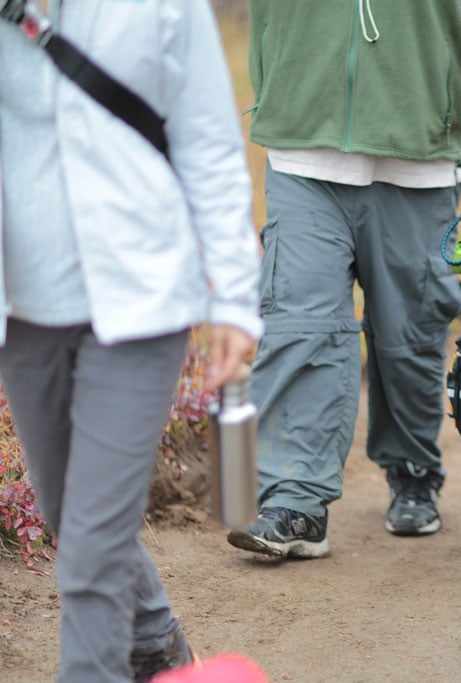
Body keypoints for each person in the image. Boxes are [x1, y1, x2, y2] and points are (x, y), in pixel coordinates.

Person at [0, 1, 263, 681]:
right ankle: (150, 636)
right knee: (72, 514)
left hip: (143, 302)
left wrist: (235, 298)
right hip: (22, 310)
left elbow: (207, 140)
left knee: (90, 548)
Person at [226, 0, 461, 558]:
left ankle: (412, 468)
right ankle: (296, 499)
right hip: (301, 158)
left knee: (408, 337)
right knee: (300, 324)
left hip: (418, 164)